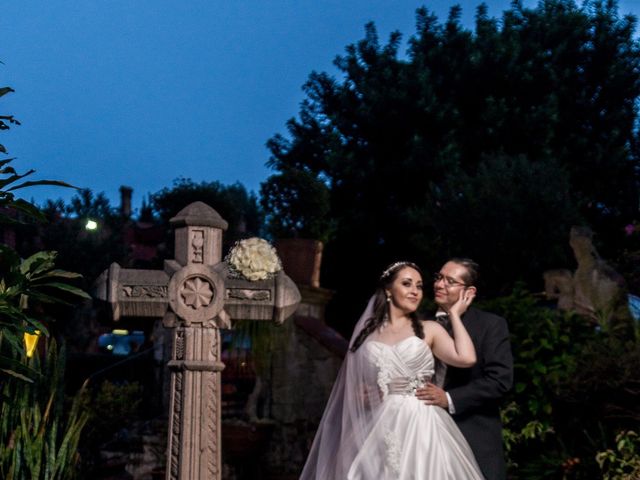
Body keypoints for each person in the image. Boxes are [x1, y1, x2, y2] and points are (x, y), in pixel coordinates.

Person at [300, 261, 486, 479]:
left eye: (419, 286)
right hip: (378, 423)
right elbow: (357, 385)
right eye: (407, 284)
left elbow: (467, 358)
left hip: (421, 422)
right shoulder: (367, 335)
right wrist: (367, 393)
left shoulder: (429, 329)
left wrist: (454, 314)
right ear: (388, 289)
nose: (415, 291)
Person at [415, 258, 513, 480]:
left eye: (450, 281)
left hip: (472, 433)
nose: (440, 285)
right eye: (439, 277)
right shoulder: (416, 322)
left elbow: (500, 381)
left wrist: (448, 398)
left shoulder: (490, 325)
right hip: (419, 431)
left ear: (469, 291)